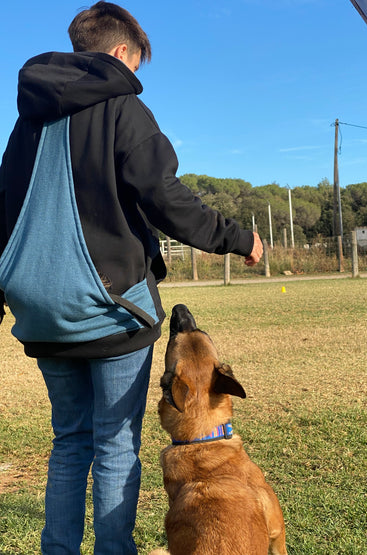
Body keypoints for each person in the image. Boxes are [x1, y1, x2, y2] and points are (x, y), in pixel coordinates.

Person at [0, 2, 263, 554]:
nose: (137, 76)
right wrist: (237, 237)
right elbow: (165, 198)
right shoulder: (122, 106)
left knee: (70, 442)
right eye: (138, 64)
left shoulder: (28, 121)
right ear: (122, 53)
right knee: (116, 443)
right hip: (114, 308)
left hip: (42, 310)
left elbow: (6, 210)